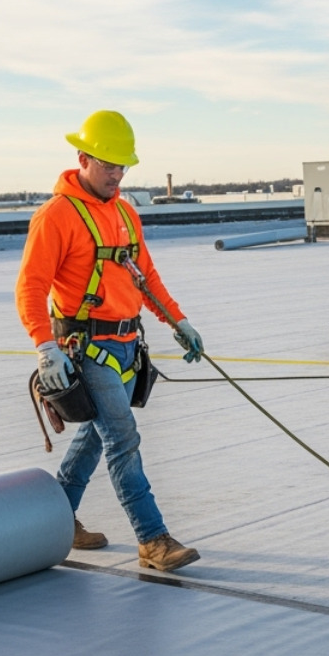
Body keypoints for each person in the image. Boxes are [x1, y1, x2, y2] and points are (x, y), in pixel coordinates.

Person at [16, 109, 203, 573]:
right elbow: (31, 287)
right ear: (83, 158)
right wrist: (45, 348)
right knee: (122, 438)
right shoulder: (56, 215)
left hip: (125, 347)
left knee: (96, 439)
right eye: (107, 164)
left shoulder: (123, 212)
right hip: (87, 349)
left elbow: (146, 276)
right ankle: (153, 539)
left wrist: (178, 322)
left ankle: (57, 517)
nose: (116, 174)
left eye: (122, 166)